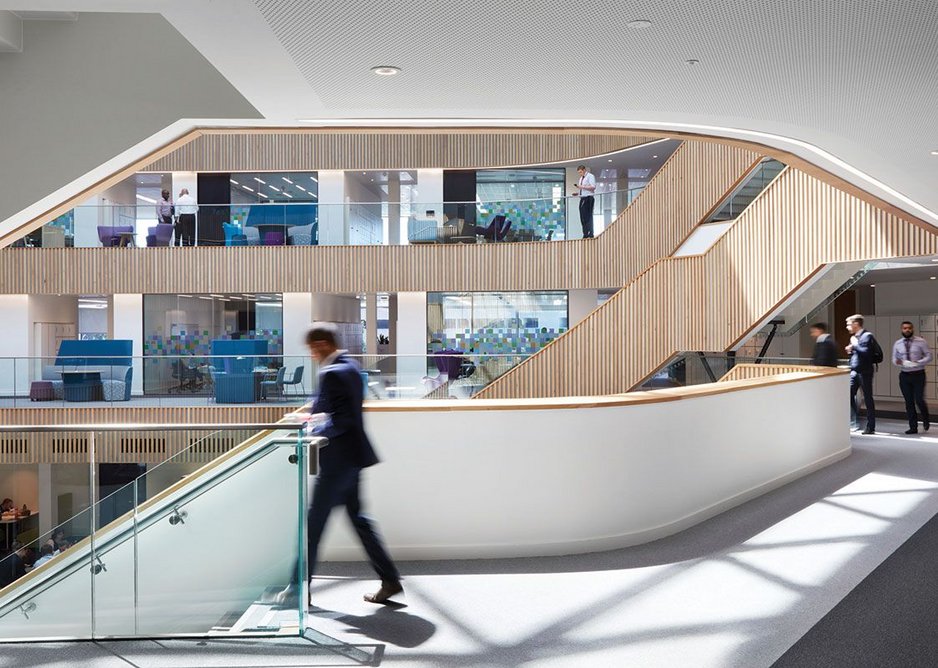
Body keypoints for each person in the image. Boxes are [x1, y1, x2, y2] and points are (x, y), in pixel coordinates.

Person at [287, 323, 402, 606]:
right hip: (352, 459)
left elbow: (341, 419)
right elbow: (340, 412)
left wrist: (311, 429)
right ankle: (389, 580)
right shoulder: (349, 367)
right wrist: (313, 418)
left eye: (312, 349)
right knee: (360, 521)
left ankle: (297, 590)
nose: (311, 355)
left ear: (321, 345)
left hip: (337, 461)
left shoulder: (332, 373)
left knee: (312, 526)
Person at [893, 320, 932, 434]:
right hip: (905, 375)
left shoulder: (921, 342)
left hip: (918, 374)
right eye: (905, 328)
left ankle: (925, 418)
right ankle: (913, 427)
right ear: (902, 330)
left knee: (919, 400)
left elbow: (929, 356)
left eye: (909, 328)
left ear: (913, 329)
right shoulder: (898, 344)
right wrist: (900, 362)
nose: (907, 330)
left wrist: (918, 362)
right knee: (909, 402)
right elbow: (894, 360)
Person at [846, 314, 877, 434]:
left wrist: (855, 345)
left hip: (865, 372)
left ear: (856, 324)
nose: (847, 327)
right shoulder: (854, 337)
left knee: (868, 398)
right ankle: (854, 422)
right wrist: (851, 350)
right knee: (847, 395)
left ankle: (871, 426)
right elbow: (858, 353)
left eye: (849, 324)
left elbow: (866, 353)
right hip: (854, 371)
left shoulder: (867, 336)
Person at [573, 165, 596, 239]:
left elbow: (593, 187)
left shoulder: (590, 176)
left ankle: (590, 233)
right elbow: (583, 189)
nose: (580, 174)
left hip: (589, 198)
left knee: (588, 216)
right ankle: (585, 233)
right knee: (582, 217)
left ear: (584, 170)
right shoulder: (581, 178)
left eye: (581, 172)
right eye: (579, 172)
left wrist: (581, 187)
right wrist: (578, 193)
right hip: (582, 198)